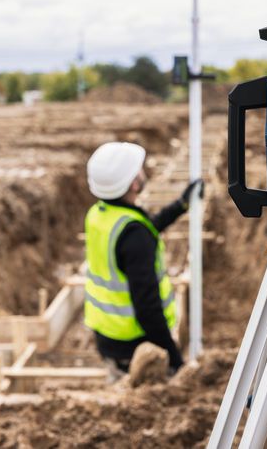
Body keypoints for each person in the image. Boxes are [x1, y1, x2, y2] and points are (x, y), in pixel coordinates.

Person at [84, 141, 203, 378]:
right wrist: (175, 360)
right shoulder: (133, 235)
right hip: (137, 348)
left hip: (108, 336)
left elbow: (144, 232)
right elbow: (148, 309)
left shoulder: (99, 214)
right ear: (134, 184)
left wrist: (180, 206)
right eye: (138, 170)